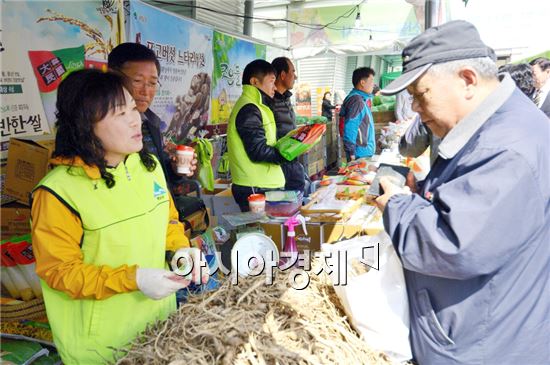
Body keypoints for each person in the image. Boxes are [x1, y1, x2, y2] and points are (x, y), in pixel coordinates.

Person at [377, 20, 549, 365]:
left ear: (467, 80)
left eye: (419, 95)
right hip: (483, 330)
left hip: (484, 346)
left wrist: (396, 204)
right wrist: (422, 192)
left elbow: (452, 245)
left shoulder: (507, 148)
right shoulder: (501, 128)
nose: (415, 109)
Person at [31, 69, 206, 364]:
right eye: (118, 113)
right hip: (101, 347)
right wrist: (133, 278)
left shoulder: (146, 167)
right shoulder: (58, 192)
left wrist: (181, 250)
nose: (134, 119)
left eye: (131, 108)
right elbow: (60, 272)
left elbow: (168, 221)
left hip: (158, 330)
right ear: (86, 126)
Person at [107, 43, 196, 196]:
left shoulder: (151, 123)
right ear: (111, 77)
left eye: (153, 83)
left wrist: (175, 170)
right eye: (137, 81)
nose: (146, 91)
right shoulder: (98, 126)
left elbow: (155, 172)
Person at [227, 59, 287, 211]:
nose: (274, 87)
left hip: (262, 183)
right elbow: (258, 151)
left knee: (268, 232)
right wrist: (287, 154)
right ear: (254, 81)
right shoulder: (249, 108)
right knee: (260, 232)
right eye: (271, 81)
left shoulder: (257, 106)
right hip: (255, 186)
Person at [268, 57, 305, 193]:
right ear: (283, 75)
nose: (295, 76)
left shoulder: (286, 98)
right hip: (279, 162)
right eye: (293, 72)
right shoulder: (269, 101)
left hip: (292, 159)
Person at [339, 67, 376, 161]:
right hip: (360, 154)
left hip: (362, 151)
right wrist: (351, 153)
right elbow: (351, 127)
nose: (373, 85)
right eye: (371, 81)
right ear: (362, 82)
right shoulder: (357, 101)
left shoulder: (360, 99)